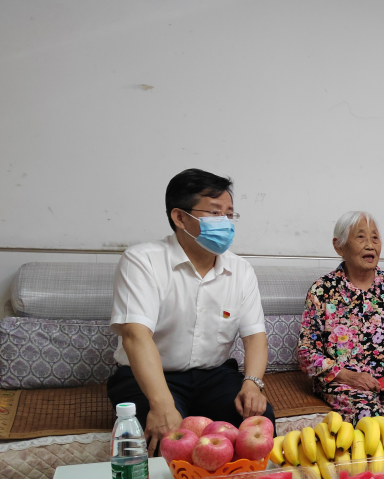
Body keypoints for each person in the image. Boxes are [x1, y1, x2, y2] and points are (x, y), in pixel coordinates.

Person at [108, 169, 274, 455]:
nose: (225, 223)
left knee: (257, 425)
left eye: (229, 215)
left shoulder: (241, 270)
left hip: (214, 375)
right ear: (180, 217)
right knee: (164, 439)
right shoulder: (142, 261)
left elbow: (255, 336)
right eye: (215, 213)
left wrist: (252, 384)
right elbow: (135, 336)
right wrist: (161, 404)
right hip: (151, 377)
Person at [297, 211, 384, 429]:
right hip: (345, 384)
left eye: (375, 238)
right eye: (361, 237)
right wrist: (346, 376)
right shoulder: (322, 290)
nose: (370, 245)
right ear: (339, 246)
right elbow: (307, 352)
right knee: (371, 419)